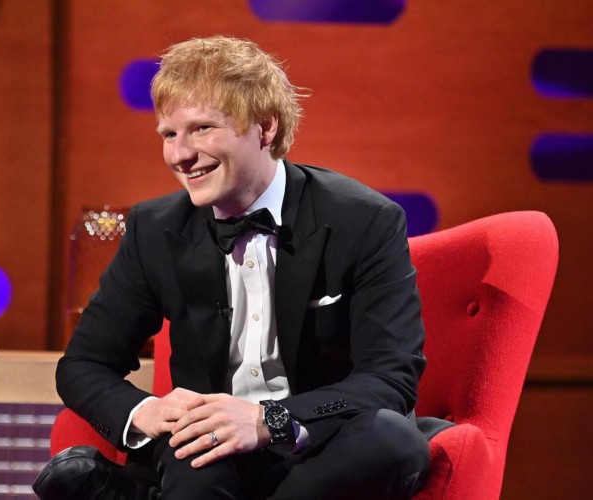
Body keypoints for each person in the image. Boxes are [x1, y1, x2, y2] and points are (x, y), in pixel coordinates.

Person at [49, 35, 431, 499]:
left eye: (202, 128)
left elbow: (390, 379)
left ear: (265, 128)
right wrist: (146, 411)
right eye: (169, 134)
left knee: (393, 442)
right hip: (209, 448)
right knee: (197, 467)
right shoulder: (154, 229)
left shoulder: (363, 220)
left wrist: (267, 420)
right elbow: (83, 364)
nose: (180, 155)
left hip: (317, 443)